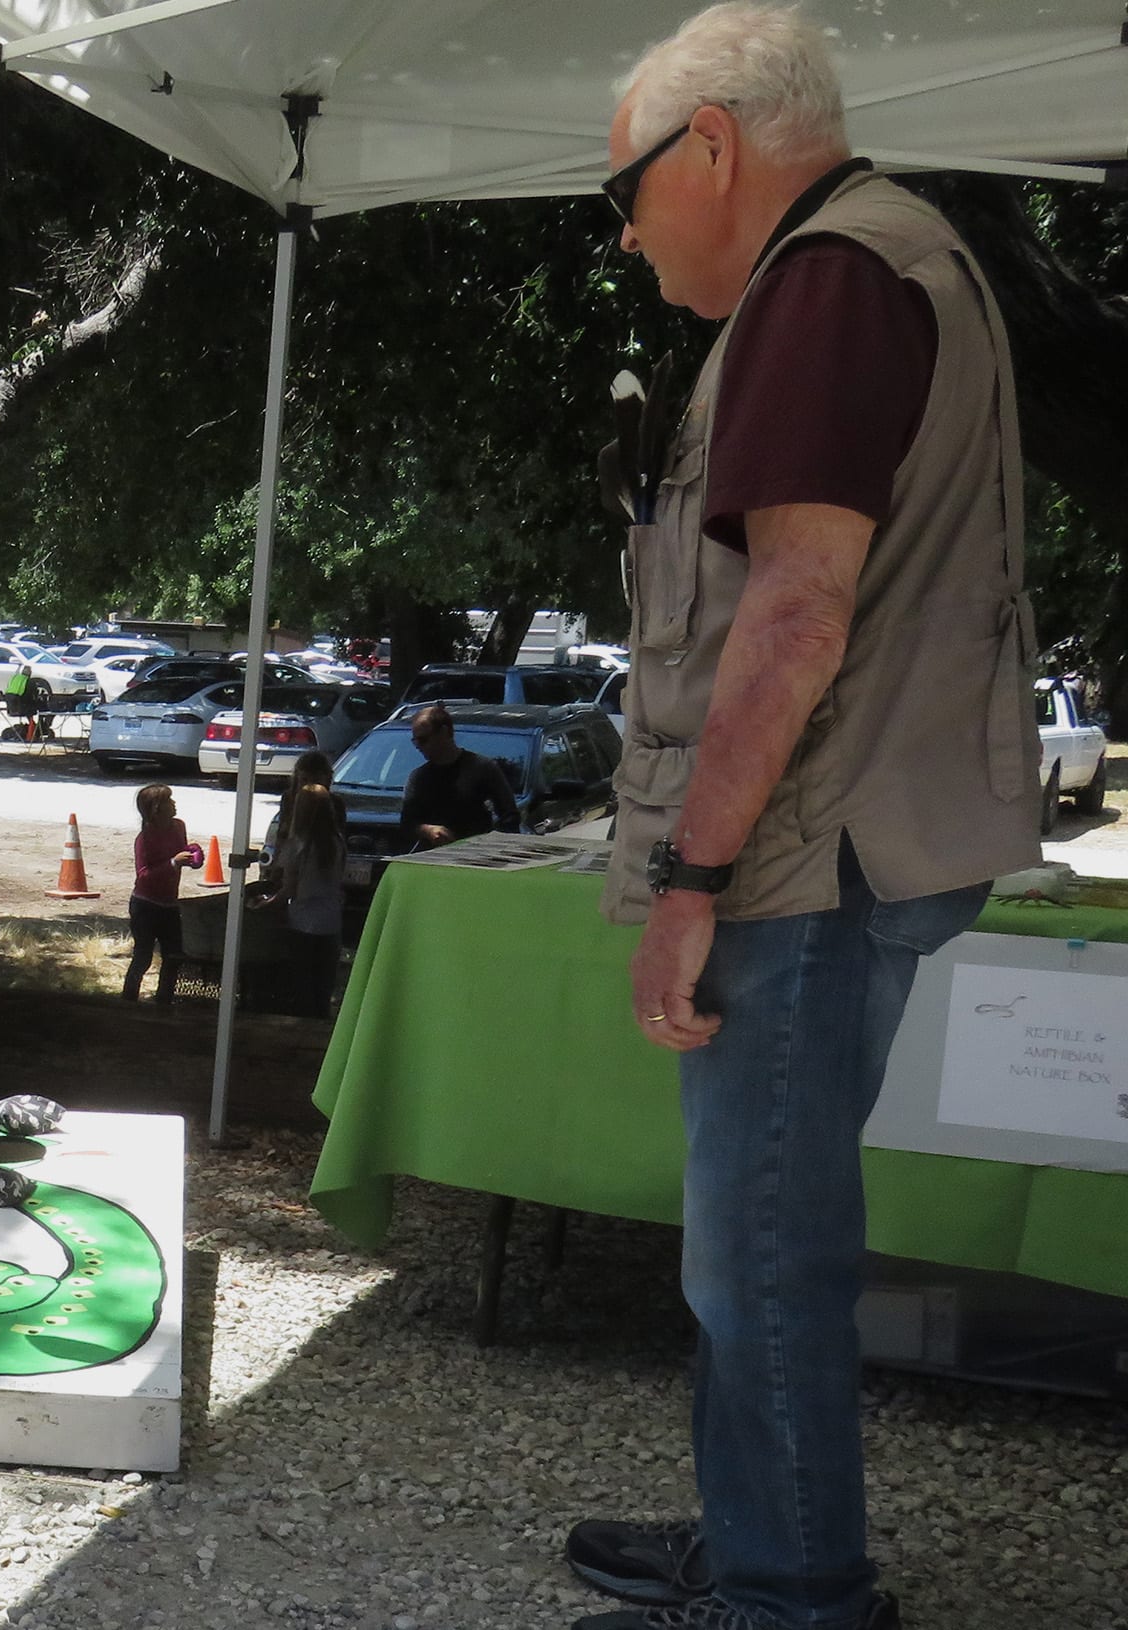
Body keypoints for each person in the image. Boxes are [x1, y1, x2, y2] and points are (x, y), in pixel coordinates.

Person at [570, 9, 1040, 1630]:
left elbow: (794, 614)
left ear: (710, 147)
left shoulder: (830, 279)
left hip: (808, 855)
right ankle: (758, 1534)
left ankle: (791, 1592)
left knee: (759, 1249)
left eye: (624, 191)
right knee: (758, 1233)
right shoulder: (869, 263)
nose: (624, 234)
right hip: (847, 837)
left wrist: (692, 874)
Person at [257, 781, 346, 1017]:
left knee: (303, 985)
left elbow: (289, 889)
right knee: (323, 986)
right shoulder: (337, 842)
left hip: (303, 923)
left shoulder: (297, 845)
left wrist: (266, 904)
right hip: (331, 923)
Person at [123, 784, 203, 1004]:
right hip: (145, 905)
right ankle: (128, 1000)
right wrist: (173, 863)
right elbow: (143, 875)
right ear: (156, 810)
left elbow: (181, 852)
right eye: (168, 801)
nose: (174, 804)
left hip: (169, 904)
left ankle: (164, 1002)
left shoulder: (178, 826)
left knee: (173, 955)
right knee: (143, 956)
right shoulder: (144, 838)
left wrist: (193, 855)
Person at [399, 704, 517, 848]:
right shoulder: (419, 778)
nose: (418, 746)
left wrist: (495, 846)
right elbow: (407, 824)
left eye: (423, 740)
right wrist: (427, 830)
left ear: (444, 732)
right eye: (415, 741)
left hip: (477, 854)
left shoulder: (483, 768)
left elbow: (509, 816)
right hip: (434, 857)